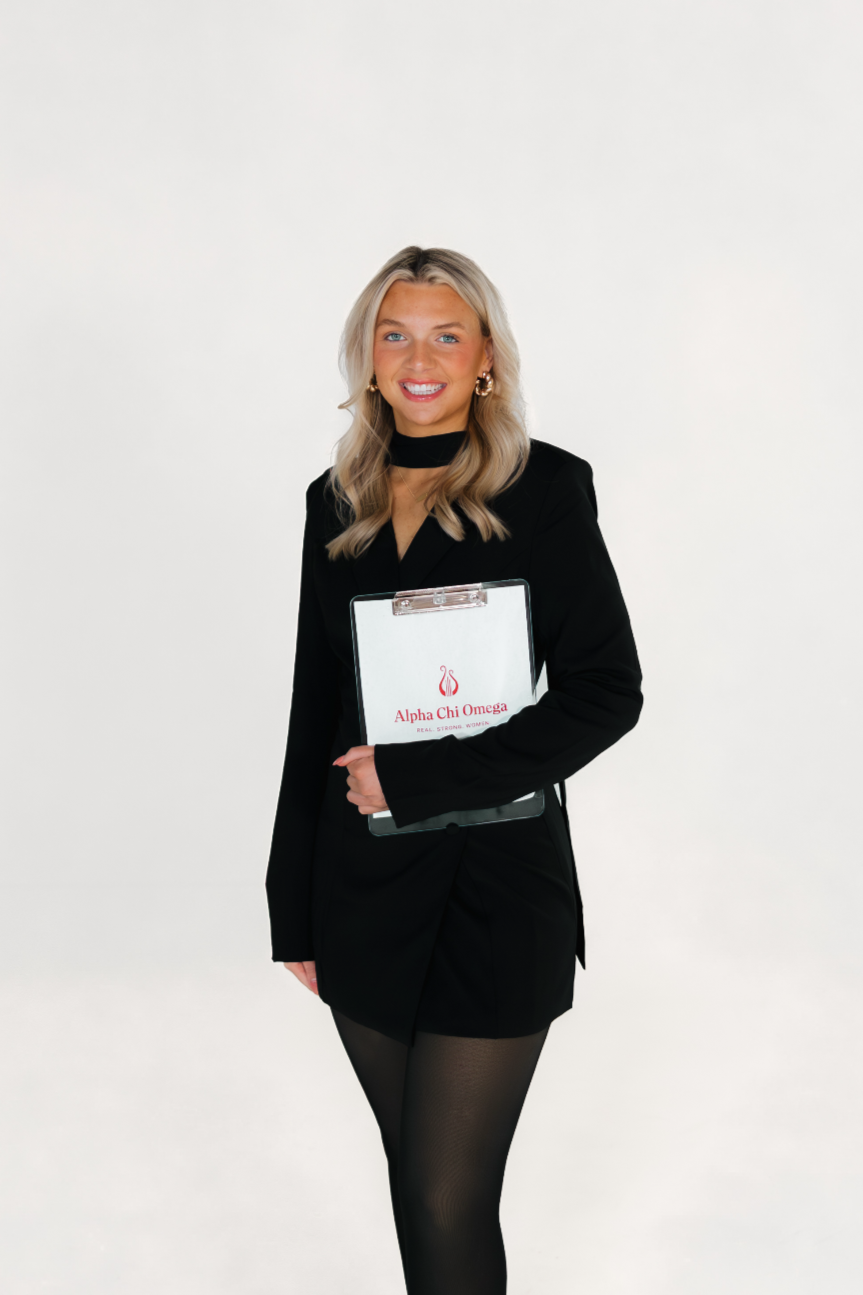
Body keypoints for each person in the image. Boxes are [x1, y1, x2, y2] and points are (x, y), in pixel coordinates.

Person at [265, 245, 642, 1294]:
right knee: (418, 1193)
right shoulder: (331, 501)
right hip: (359, 891)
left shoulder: (545, 487)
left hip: (499, 889)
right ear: (368, 357)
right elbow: (313, 710)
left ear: (485, 359)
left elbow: (605, 692)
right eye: (394, 335)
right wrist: (292, 906)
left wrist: (419, 778)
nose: (417, 358)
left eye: (445, 335)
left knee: (445, 1196)